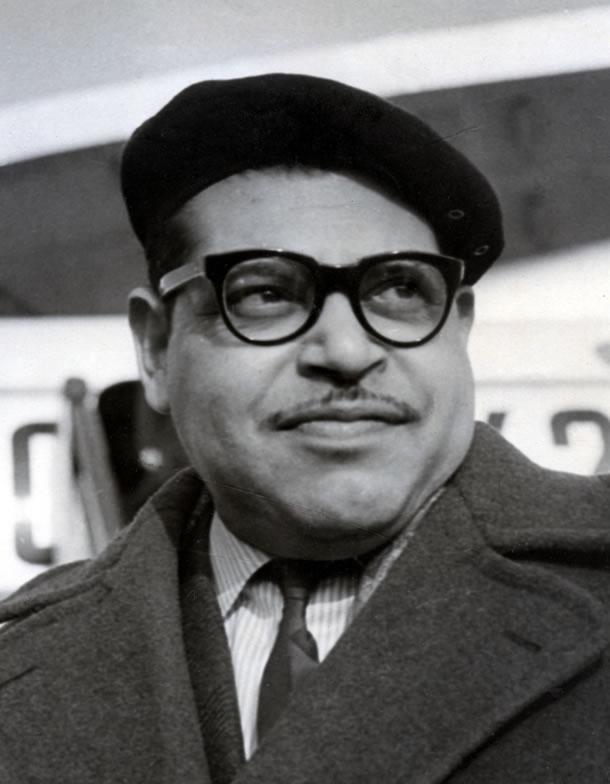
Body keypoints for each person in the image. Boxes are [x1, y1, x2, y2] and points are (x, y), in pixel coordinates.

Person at [1, 73, 610, 784]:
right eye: (266, 293)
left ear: (459, 328)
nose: (347, 351)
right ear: (157, 347)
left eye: (400, 289)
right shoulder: (22, 666)